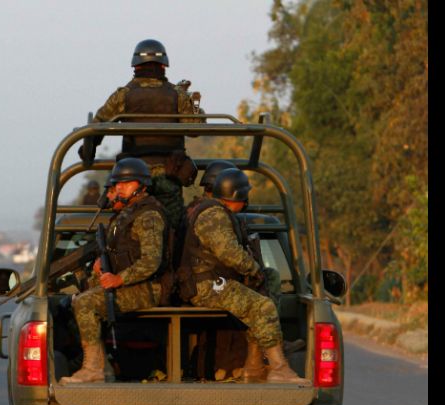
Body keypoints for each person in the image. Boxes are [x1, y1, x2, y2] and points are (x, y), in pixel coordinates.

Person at [177, 168, 309, 384]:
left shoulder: (215, 212)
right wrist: (253, 269)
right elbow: (229, 253)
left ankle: (254, 367)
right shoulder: (214, 214)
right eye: (244, 196)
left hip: (212, 282)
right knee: (263, 307)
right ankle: (279, 369)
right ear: (236, 196)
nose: (246, 202)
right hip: (208, 285)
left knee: (263, 292)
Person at [60, 158, 170, 384]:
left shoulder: (148, 215)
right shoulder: (125, 216)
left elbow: (151, 262)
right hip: (134, 285)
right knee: (77, 300)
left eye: (125, 183)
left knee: (85, 303)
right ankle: (101, 364)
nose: (118, 187)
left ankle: (94, 368)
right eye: (117, 184)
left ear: (141, 185)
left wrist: (119, 278)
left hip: (150, 287)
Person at [80, 39, 201, 230]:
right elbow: (196, 129)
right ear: (164, 65)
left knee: (129, 228)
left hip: (132, 177)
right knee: (172, 228)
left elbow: (97, 126)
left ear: (135, 65)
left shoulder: (123, 95)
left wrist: (86, 150)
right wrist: (195, 107)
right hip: (170, 173)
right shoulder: (177, 95)